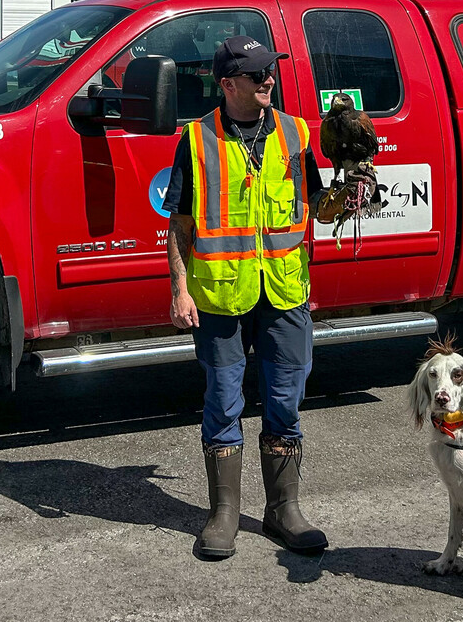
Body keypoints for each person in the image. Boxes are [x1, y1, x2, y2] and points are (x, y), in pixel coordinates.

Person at [162, 35, 335, 558]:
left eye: (270, 71)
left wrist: (350, 194)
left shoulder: (295, 133)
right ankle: (224, 514)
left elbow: (319, 210)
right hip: (219, 297)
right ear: (227, 84)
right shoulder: (196, 140)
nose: (269, 80)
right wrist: (178, 290)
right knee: (223, 401)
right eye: (257, 73)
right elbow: (181, 222)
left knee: (286, 399)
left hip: (284, 292)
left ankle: (284, 510)